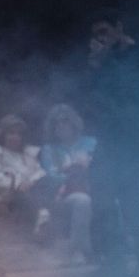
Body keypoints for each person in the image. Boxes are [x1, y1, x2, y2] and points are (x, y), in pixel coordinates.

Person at [84, 11, 139, 277]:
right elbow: (90, 102)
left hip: (134, 150)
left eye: (104, 31)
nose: (100, 39)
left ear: (118, 27)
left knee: (137, 215)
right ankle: (114, 265)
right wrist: (96, 66)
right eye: (96, 35)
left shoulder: (138, 56)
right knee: (103, 208)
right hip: (107, 147)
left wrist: (123, 54)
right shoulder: (98, 64)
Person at [38, 104, 96, 264]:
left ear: (73, 123)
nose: (61, 126)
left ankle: (112, 244)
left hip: (94, 188)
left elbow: (100, 169)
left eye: (65, 121)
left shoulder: (91, 144)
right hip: (65, 194)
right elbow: (51, 177)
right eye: (56, 123)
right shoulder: (49, 150)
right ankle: (76, 250)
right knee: (83, 201)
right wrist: (72, 170)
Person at [0, 115, 52, 239]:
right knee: (23, 193)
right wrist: (18, 183)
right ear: (3, 134)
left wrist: (30, 181)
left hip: (32, 190)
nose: (15, 137)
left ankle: (43, 224)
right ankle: (42, 215)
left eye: (19, 134)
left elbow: (39, 172)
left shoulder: (29, 154)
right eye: (11, 133)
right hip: (6, 193)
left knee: (46, 181)